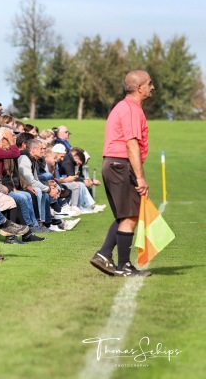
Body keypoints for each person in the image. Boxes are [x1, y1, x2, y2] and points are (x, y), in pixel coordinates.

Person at [90, 70, 154, 277]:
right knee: (130, 215)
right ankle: (122, 265)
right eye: (150, 83)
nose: (153, 87)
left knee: (127, 214)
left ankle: (105, 255)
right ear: (139, 87)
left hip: (114, 164)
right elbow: (131, 143)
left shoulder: (124, 106)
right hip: (120, 164)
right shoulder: (131, 108)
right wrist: (141, 176)